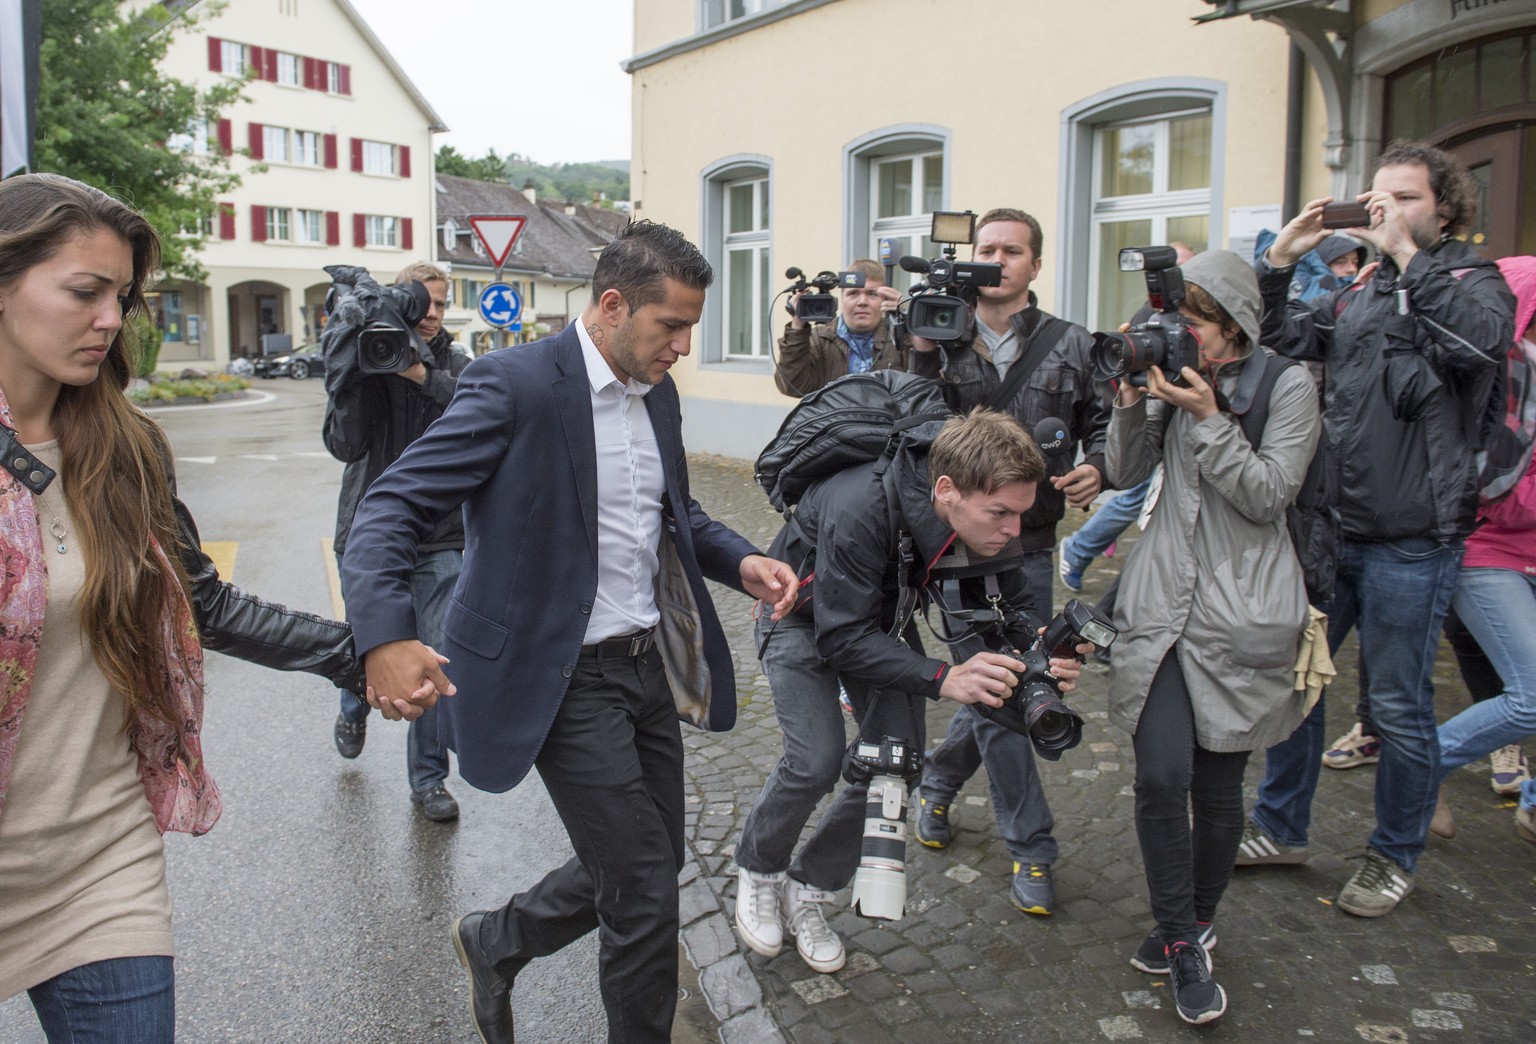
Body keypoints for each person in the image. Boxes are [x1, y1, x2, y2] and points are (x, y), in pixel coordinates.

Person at [340, 220, 799, 1044]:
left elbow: (673, 511)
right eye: (672, 327)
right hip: (559, 678)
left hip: (646, 666)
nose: (684, 347)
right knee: (646, 888)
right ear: (614, 306)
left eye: (692, 328)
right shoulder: (512, 385)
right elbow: (391, 505)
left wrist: (743, 561)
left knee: (636, 860)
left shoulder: (656, 389)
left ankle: (497, 938)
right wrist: (384, 634)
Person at [0, 173, 416, 1040]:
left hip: (95, 863)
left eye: (121, 296)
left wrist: (363, 651)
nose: (112, 320)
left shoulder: (123, 447)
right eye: (84, 292)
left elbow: (205, 607)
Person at [1238, 140, 1515, 917]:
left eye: (1406, 199)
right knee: (1300, 687)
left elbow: (1476, 347)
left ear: (1446, 208)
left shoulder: (1472, 283)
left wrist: (1403, 256)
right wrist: (1280, 261)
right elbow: (1284, 339)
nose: (1386, 210)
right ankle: (1280, 827)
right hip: (1336, 526)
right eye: (1376, 198)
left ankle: (1393, 855)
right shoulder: (1361, 291)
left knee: (1396, 706)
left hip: (1415, 538)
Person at [733, 407, 1090, 973]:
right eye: (1001, 513)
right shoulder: (861, 507)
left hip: (877, 624)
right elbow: (842, 637)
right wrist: (945, 678)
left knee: (898, 762)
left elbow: (1007, 615)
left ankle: (810, 889)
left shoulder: (983, 519)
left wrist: (1040, 658)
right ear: (946, 490)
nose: (1014, 530)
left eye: (1022, 514)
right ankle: (759, 869)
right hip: (797, 616)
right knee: (816, 759)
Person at [1106, 249, 1320, 1025]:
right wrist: (1132, 399)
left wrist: (1209, 419)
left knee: (1219, 786)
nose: (1175, 331)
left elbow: (1268, 495)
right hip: (1163, 602)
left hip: (1241, 607)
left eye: (1189, 318)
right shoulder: (1172, 370)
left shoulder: (1286, 384)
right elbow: (1127, 473)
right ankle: (1180, 940)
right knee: (1162, 776)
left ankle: (1193, 921)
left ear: (1230, 321)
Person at [908, 208, 1112, 915]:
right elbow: (904, 419)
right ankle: (1031, 846)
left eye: (1011, 251)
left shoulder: (1071, 344)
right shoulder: (937, 329)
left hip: (1031, 542)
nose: (997, 260)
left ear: (1034, 264)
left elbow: (1105, 425)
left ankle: (936, 783)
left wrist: (1100, 467)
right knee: (1011, 686)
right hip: (955, 546)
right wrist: (919, 349)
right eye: (986, 249)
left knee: (1004, 680)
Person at [323, 262, 468, 822]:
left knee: (431, 663)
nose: (431, 313)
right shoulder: (367, 353)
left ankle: (428, 782)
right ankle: (352, 705)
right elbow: (344, 445)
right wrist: (358, 376)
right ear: (401, 305)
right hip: (366, 535)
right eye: (422, 303)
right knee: (371, 645)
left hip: (440, 537)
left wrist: (417, 375)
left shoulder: (455, 363)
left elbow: (477, 409)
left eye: (440, 303)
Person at [1429, 254, 1536, 842]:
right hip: (1488, 551)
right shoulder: (1502, 377)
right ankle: (1418, 768)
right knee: (1529, 695)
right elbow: (1492, 487)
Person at [1059, 242, 1199, 595]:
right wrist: (1132, 389)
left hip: (1182, 432)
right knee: (1135, 489)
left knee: (1138, 494)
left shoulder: (1198, 322)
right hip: (1156, 418)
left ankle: (1083, 550)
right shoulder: (1147, 319)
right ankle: (1080, 548)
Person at [773, 257, 906, 396]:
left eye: (872, 294)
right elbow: (791, 386)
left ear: (884, 299)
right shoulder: (820, 338)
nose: (862, 302)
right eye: (853, 293)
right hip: (833, 418)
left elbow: (924, 384)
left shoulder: (898, 337)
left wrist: (906, 323)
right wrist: (797, 327)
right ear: (842, 299)